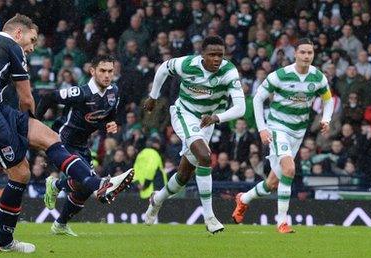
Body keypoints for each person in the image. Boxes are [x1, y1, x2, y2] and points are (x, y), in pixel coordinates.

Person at [0, 15, 134, 253]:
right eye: (31, 40)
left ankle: (98, 184)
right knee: (21, 173)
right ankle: (5, 241)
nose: (32, 47)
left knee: (51, 137)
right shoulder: (13, 46)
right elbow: (26, 97)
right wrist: (26, 132)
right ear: (18, 33)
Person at [143, 36, 246, 234]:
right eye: (212, 55)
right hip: (184, 113)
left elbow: (240, 108)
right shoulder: (187, 64)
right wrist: (153, 96)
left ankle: (157, 198)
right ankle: (210, 217)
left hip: (207, 121)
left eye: (220, 55)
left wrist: (216, 118)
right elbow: (164, 67)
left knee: (183, 175)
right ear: (202, 55)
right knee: (205, 157)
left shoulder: (229, 71)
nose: (217, 59)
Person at [232, 38, 335, 233]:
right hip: (278, 128)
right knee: (289, 169)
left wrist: (326, 119)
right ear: (295, 54)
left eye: (310, 53)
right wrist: (262, 128)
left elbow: (328, 100)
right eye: (302, 52)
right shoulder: (280, 75)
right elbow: (258, 99)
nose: (306, 56)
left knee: (272, 183)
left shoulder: (318, 77)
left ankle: (243, 199)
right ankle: (282, 221)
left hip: (298, 132)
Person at [36, 55, 123, 237]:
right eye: (102, 71)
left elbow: (108, 115)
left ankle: (60, 222)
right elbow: (49, 97)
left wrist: (111, 123)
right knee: (88, 181)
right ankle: (60, 185)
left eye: (110, 71)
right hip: (63, 141)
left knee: (84, 189)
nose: (107, 75)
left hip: (82, 144)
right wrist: (34, 122)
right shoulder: (80, 93)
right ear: (92, 71)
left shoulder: (114, 91)